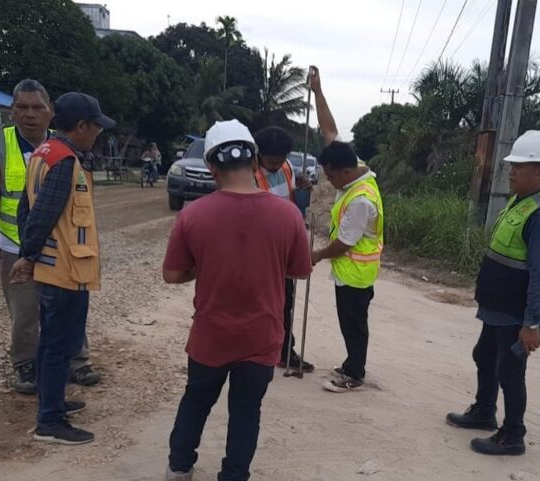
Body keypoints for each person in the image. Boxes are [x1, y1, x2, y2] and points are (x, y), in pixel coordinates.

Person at [162, 119, 312, 481]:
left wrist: (205, 266)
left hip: (211, 335)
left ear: (211, 166)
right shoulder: (288, 214)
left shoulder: (193, 214)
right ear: (254, 160)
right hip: (261, 336)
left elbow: (173, 274)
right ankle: (234, 475)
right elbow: (301, 270)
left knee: (197, 399)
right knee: (246, 411)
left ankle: (179, 468)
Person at [0, 79, 99, 395]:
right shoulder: (0, 144)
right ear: (12, 110)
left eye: (37, 107)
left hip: (61, 247)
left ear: (51, 112)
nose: (29, 114)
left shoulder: (67, 144)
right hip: (16, 245)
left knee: (67, 307)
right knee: (25, 310)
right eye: (22, 107)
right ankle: (27, 364)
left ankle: (76, 360)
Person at [445, 130, 540, 456]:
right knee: (484, 355)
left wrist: (532, 324)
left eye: (519, 167)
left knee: (510, 372)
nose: (511, 172)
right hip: (498, 305)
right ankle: (484, 411)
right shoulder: (519, 201)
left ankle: (513, 436)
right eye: (512, 166)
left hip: (516, 311)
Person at [9, 92, 116, 445]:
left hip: (53, 267)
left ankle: (50, 400)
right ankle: (50, 421)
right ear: (81, 126)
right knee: (61, 345)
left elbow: (25, 209)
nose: (98, 133)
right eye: (96, 127)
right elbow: (41, 215)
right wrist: (27, 256)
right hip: (66, 270)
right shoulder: (65, 161)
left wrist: (29, 255)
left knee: (49, 342)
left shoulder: (43, 153)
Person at [308, 66, 384, 394]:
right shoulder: (356, 167)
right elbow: (329, 130)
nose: (329, 181)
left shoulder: (361, 200)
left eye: (330, 176)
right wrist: (317, 91)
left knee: (353, 324)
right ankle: (352, 363)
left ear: (342, 171)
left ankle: (354, 373)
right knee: (350, 322)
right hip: (350, 270)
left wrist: (316, 255)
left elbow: (344, 242)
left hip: (356, 272)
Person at [252, 125, 313, 373]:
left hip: (283, 248)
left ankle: (285, 351)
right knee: (256, 304)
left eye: (280, 160)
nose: (277, 165)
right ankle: (252, 351)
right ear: (258, 154)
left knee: (284, 303)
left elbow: (290, 202)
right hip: (257, 252)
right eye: (272, 161)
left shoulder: (287, 167)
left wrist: (303, 191)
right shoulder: (249, 175)